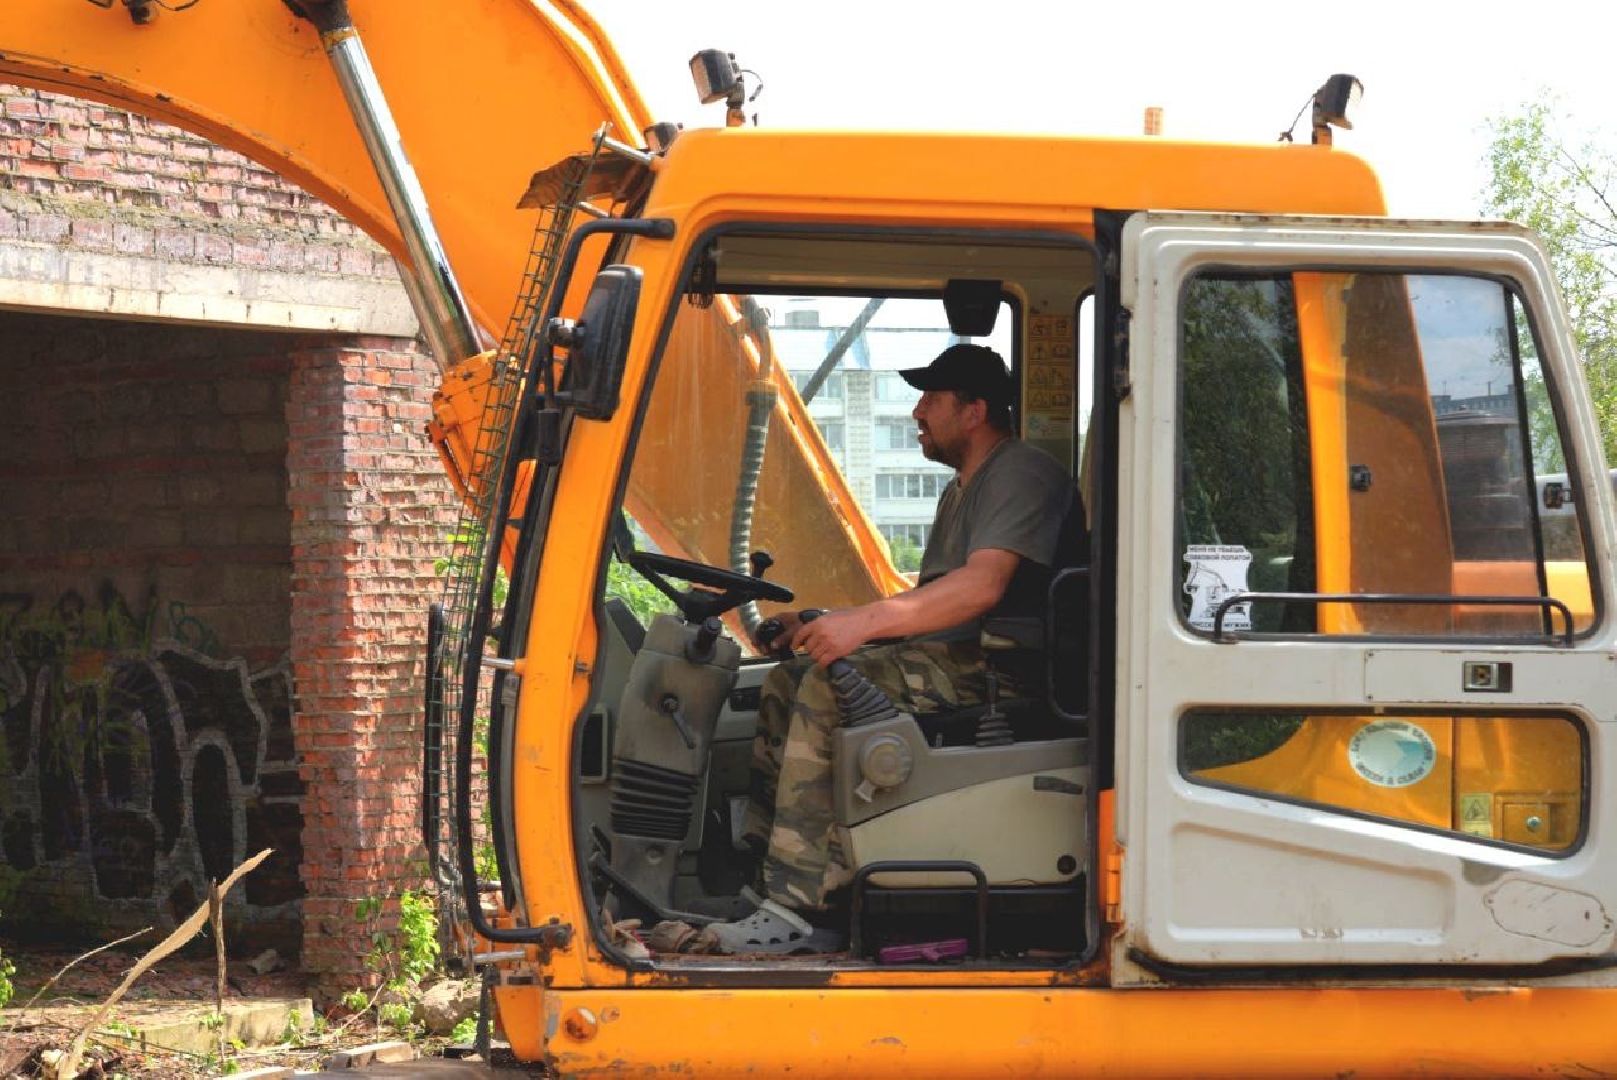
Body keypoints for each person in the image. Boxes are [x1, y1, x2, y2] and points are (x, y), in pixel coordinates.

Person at [707, 343, 1073, 954]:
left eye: (931, 399)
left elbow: (982, 587)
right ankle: (767, 879)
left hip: (1003, 668)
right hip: (959, 657)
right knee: (786, 678)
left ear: (975, 411)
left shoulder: (1020, 474)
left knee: (823, 687)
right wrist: (825, 620)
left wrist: (862, 625)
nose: (917, 412)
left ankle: (803, 906)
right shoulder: (963, 489)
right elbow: (934, 598)